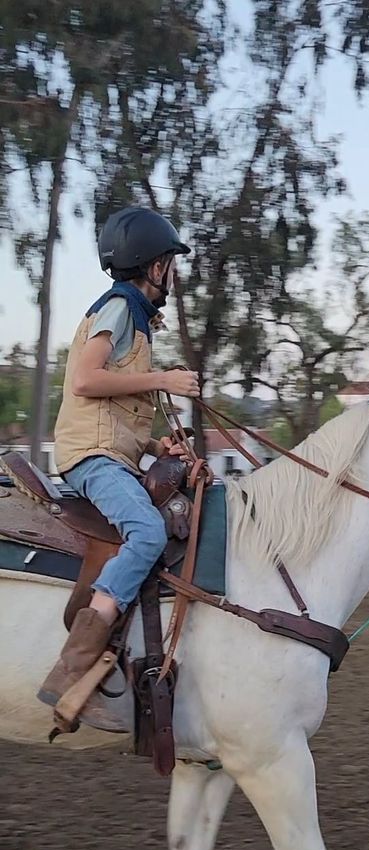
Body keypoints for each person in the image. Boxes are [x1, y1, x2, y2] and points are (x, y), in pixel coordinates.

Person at [38, 205, 199, 732]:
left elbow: (116, 415)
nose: (172, 273)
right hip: (90, 458)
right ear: (155, 266)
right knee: (147, 531)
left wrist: (156, 445)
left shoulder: (136, 320)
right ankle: (74, 667)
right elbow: (85, 381)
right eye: (170, 263)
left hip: (109, 453)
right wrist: (164, 380)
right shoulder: (118, 308)